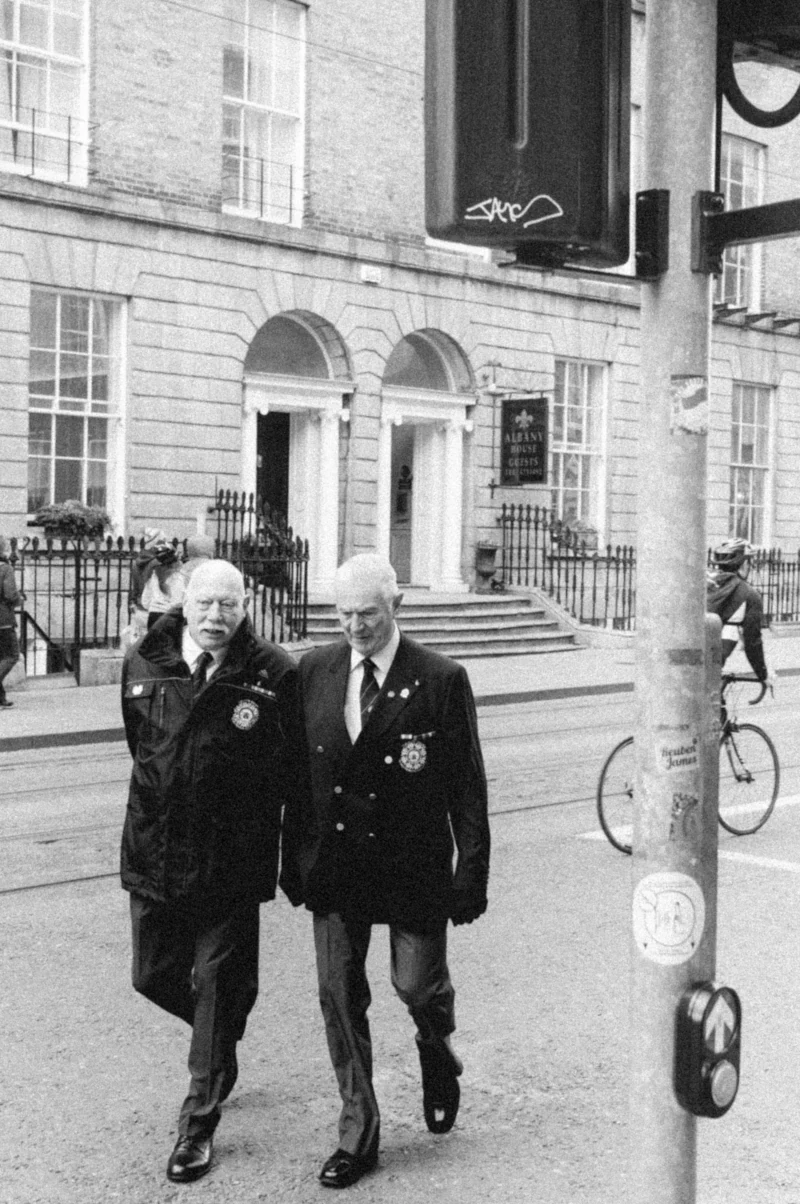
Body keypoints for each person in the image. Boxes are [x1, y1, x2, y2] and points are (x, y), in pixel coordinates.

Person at [283, 553, 490, 1189]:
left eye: (367, 614)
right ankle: (359, 1132)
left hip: (412, 865)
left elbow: (466, 788)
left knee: (417, 987)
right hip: (337, 867)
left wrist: (470, 874)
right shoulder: (314, 670)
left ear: (395, 606)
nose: (355, 626)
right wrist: (293, 858)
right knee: (339, 997)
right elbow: (297, 774)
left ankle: (436, 1048)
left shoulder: (440, 678)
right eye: (343, 614)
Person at [120, 559, 307, 1184]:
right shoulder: (145, 660)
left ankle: (196, 1125)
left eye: (229, 604)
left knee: (220, 984)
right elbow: (141, 746)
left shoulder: (273, 672)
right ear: (183, 599)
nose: (215, 617)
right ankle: (220, 1035)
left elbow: (292, 776)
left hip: (231, 860)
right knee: (152, 975)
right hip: (156, 850)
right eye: (204, 603)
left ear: (245, 602)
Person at [706, 538, 769, 681]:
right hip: (709, 666)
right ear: (744, 564)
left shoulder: (704, 580)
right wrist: (763, 675)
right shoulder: (748, 593)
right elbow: (753, 643)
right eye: (750, 562)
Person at [0, 537, 22, 709]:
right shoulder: (5, 569)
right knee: (12, 655)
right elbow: (10, 595)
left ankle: (1, 699)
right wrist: (19, 599)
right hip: (3, 620)